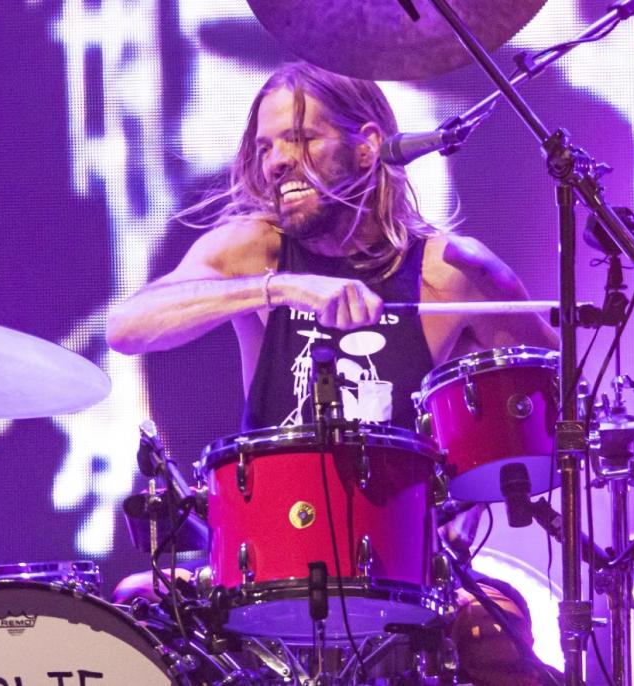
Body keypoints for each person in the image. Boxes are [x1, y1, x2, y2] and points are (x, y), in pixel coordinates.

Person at [107, 62, 560, 686]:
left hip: (410, 566)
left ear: (367, 144)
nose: (276, 162)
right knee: (138, 603)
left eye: (301, 139)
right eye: (266, 147)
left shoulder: (446, 273)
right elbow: (128, 328)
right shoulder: (254, 247)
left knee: (496, 632)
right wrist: (276, 288)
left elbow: (558, 404)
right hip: (263, 565)